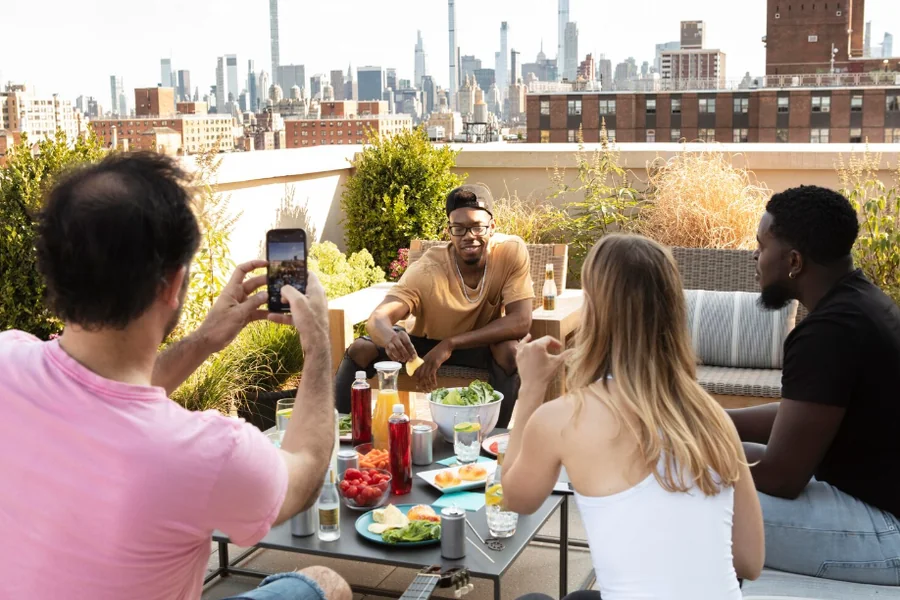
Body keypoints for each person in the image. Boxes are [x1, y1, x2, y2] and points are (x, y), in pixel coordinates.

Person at [0, 152, 351, 600]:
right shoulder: (206, 453)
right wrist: (318, 346)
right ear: (172, 283)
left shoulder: (8, 359)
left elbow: (105, 396)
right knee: (325, 583)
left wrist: (204, 340)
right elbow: (303, 473)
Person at [502, 234, 764, 599]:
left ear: (594, 313)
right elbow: (750, 561)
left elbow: (514, 499)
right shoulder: (713, 417)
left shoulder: (563, 418)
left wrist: (530, 388)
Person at [728, 185, 900, 585]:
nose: (755, 256)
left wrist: (689, 448)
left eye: (761, 245)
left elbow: (782, 476)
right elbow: (801, 417)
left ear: (794, 261)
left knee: (687, 495)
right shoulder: (862, 303)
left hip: (886, 530)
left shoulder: (829, 332)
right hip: (877, 504)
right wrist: (707, 420)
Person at [334, 183, 534, 428]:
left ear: (492, 227)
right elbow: (377, 319)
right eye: (458, 228)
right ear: (449, 231)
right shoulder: (427, 270)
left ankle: (493, 437)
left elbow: (521, 321)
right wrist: (390, 339)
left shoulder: (510, 252)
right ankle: (343, 431)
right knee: (360, 349)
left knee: (510, 352)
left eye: (477, 227)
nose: (469, 236)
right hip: (423, 347)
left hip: (476, 345)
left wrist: (450, 344)